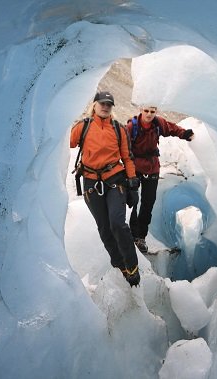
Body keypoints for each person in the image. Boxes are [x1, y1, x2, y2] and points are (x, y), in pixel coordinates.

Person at [70, 91, 141, 286]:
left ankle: (133, 267)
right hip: (91, 183)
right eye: (102, 103)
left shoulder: (119, 129)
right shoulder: (82, 127)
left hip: (115, 181)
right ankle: (121, 267)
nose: (105, 106)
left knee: (117, 223)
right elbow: (61, 143)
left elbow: (127, 157)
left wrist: (133, 183)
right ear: (94, 105)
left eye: (109, 104)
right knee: (104, 228)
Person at [126, 105, 194, 254]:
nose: (149, 114)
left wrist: (185, 134)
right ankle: (131, 235)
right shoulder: (132, 127)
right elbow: (122, 146)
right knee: (132, 201)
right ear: (141, 110)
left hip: (152, 168)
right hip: (135, 168)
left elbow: (172, 128)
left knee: (148, 203)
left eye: (152, 111)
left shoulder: (158, 123)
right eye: (146, 111)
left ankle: (140, 238)